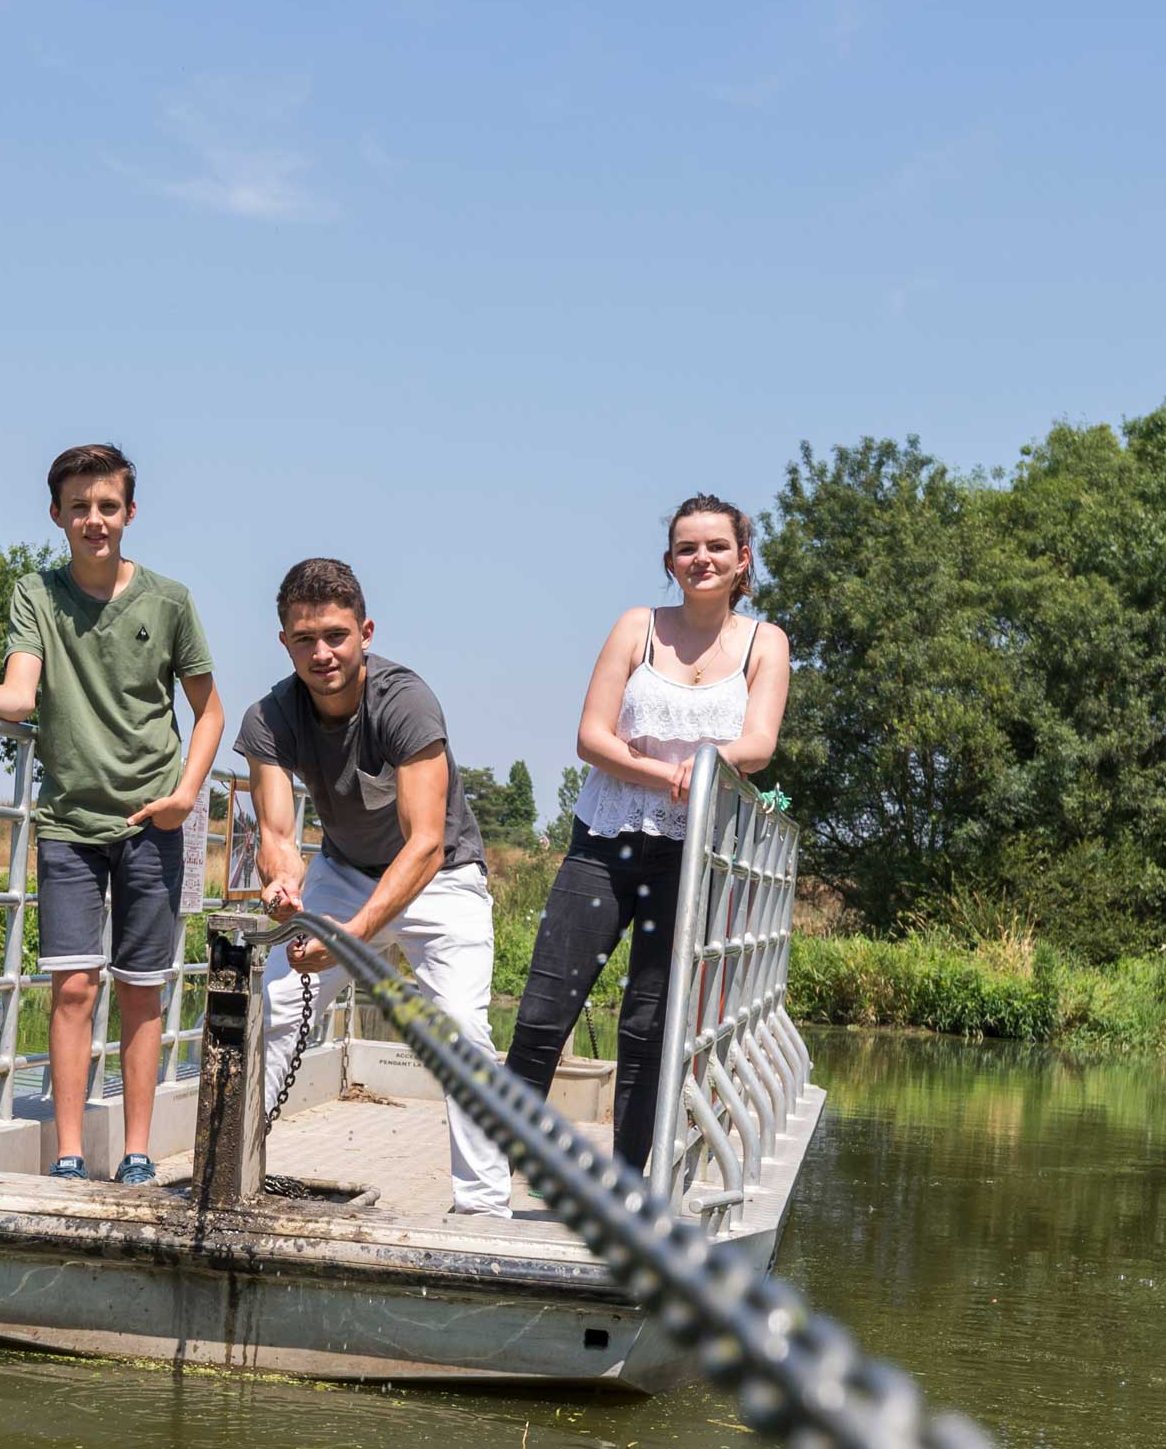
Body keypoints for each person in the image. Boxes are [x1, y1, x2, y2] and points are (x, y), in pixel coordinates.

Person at [0, 443, 224, 1186]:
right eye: (79, 508)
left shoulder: (169, 601)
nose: (93, 520)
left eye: (107, 506)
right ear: (56, 516)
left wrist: (186, 795)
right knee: (71, 987)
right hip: (69, 820)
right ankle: (68, 1152)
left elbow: (209, 714)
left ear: (128, 513)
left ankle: (135, 1151)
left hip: (151, 821)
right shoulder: (35, 594)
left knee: (140, 989)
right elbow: (20, 694)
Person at [502, 495, 791, 1174]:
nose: (702, 559)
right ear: (669, 562)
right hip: (607, 838)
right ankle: (494, 1173)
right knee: (545, 1009)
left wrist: (708, 765)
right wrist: (666, 775)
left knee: (648, 1025)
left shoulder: (763, 641)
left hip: (691, 855)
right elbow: (591, 737)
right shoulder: (638, 627)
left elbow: (758, 743)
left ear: (741, 559)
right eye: (687, 548)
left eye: (716, 547)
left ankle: (628, 1183)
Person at [239, 558, 510, 1219]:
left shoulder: (405, 701)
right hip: (342, 869)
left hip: (441, 879)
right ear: (284, 643)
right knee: (271, 1008)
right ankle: (232, 1178)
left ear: (364, 631)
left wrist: (350, 939)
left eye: (335, 635)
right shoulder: (269, 716)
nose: (321, 653)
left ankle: (482, 1211)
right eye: (304, 639)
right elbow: (276, 833)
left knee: (460, 1032)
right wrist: (282, 887)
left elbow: (423, 842)